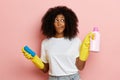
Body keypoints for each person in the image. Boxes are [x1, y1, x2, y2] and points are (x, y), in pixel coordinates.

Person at [22, 6, 94, 80]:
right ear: (51, 23)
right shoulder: (46, 43)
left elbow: (80, 67)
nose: (59, 23)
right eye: (56, 20)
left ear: (68, 22)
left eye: (62, 20)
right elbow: (45, 69)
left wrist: (85, 50)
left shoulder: (75, 41)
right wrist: (34, 59)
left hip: (73, 77)